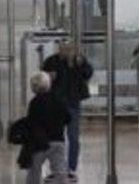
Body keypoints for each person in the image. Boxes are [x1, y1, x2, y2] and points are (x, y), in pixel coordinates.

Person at [41, 44, 94, 180]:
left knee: (73, 137)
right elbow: (43, 79)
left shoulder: (79, 60)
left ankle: (71, 169)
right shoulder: (51, 61)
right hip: (55, 105)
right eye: (64, 49)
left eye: (70, 49)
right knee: (55, 138)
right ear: (59, 49)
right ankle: (56, 169)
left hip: (73, 103)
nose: (67, 51)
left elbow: (88, 74)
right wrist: (48, 77)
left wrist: (79, 65)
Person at [22, 71, 69, 184]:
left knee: (34, 171)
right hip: (58, 141)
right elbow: (68, 118)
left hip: (40, 143)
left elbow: (31, 122)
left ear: (34, 88)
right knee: (60, 170)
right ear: (49, 84)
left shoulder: (34, 103)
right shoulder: (59, 100)